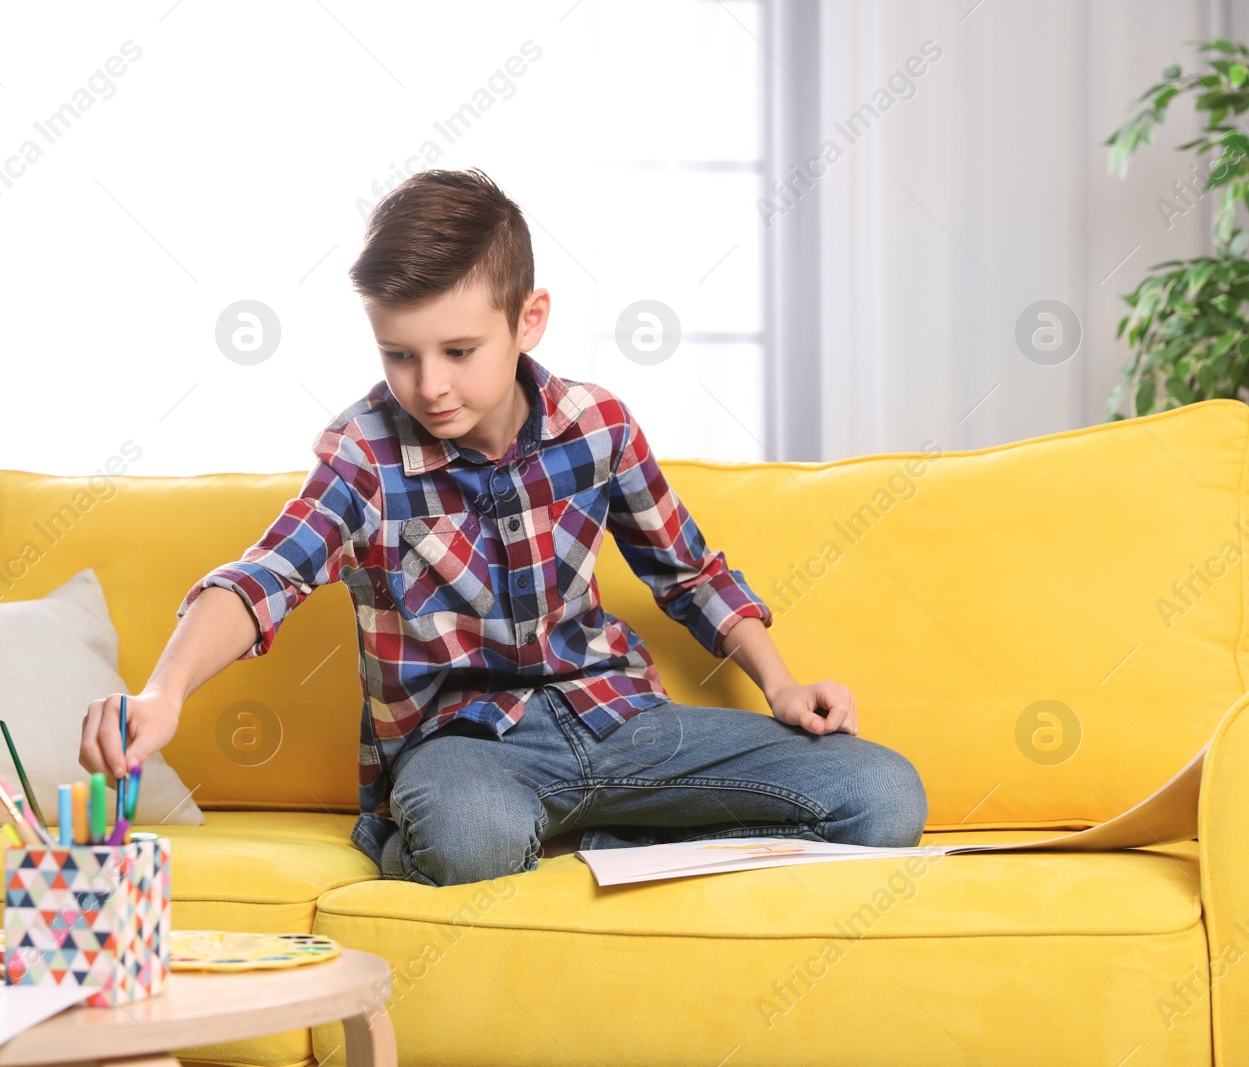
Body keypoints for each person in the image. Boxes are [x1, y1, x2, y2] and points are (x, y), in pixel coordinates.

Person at [81, 167, 928, 887]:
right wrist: (165, 690)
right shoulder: (363, 458)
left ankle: (613, 846)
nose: (429, 385)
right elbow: (264, 576)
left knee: (884, 796)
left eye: (457, 350)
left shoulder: (597, 426)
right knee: (469, 833)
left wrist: (781, 684)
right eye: (398, 354)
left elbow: (689, 572)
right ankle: (550, 842)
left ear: (528, 320)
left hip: (620, 718)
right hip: (468, 747)